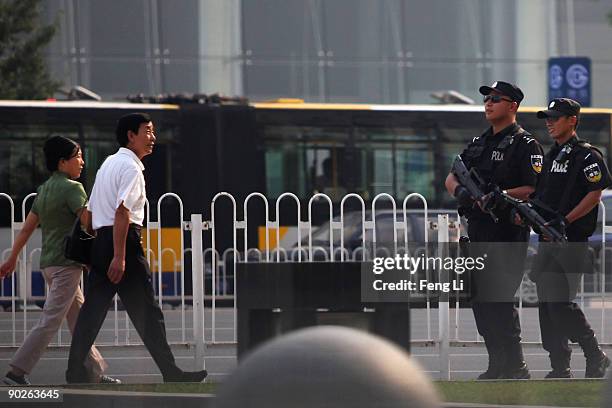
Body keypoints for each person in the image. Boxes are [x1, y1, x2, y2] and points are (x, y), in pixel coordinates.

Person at [65, 113, 207, 383]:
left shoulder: (108, 163)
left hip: (102, 242)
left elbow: (91, 214)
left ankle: (74, 372)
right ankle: (171, 372)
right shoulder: (131, 168)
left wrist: (98, 252)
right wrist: (119, 256)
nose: (153, 137)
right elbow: (122, 212)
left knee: (91, 313)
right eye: (148, 131)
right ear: (131, 135)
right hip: (125, 244)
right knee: (149, 313)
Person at [444, 81, 543, 379]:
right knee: (480, 302)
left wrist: (499, 196)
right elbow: (451, 176)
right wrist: (462, 193)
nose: (488, 103)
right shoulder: (479, 143)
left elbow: (533, 187)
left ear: (512, 106)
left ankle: (516, 366)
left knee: (499, 300)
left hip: (507, 234)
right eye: (487, 99)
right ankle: (496, 363)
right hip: (477, 232)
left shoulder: (526, 145)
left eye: (496, 99)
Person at [0, 136, 119, 385]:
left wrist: (12, 257)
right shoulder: (72, 188)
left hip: (49, 265)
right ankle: (17, 371)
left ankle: (94, 372)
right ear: (63, 162)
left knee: (79, 320)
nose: (82, 162)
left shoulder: (45, 188)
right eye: (78, 157)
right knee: (51, 320)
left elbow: (27, 229)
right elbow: (89, 223)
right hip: (67, 265)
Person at [530, 98, 611, 378]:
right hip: (546, 240)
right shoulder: (551, 156)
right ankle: (559, 365)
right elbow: (542, 197)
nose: (549, 122)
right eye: (547, 118)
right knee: (546, 307)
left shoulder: (587, 155)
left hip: (570, 240)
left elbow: (595, 193)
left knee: (561, 304)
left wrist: (566, 220)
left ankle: (594, 353)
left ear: (573, 120)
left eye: (555, 117)